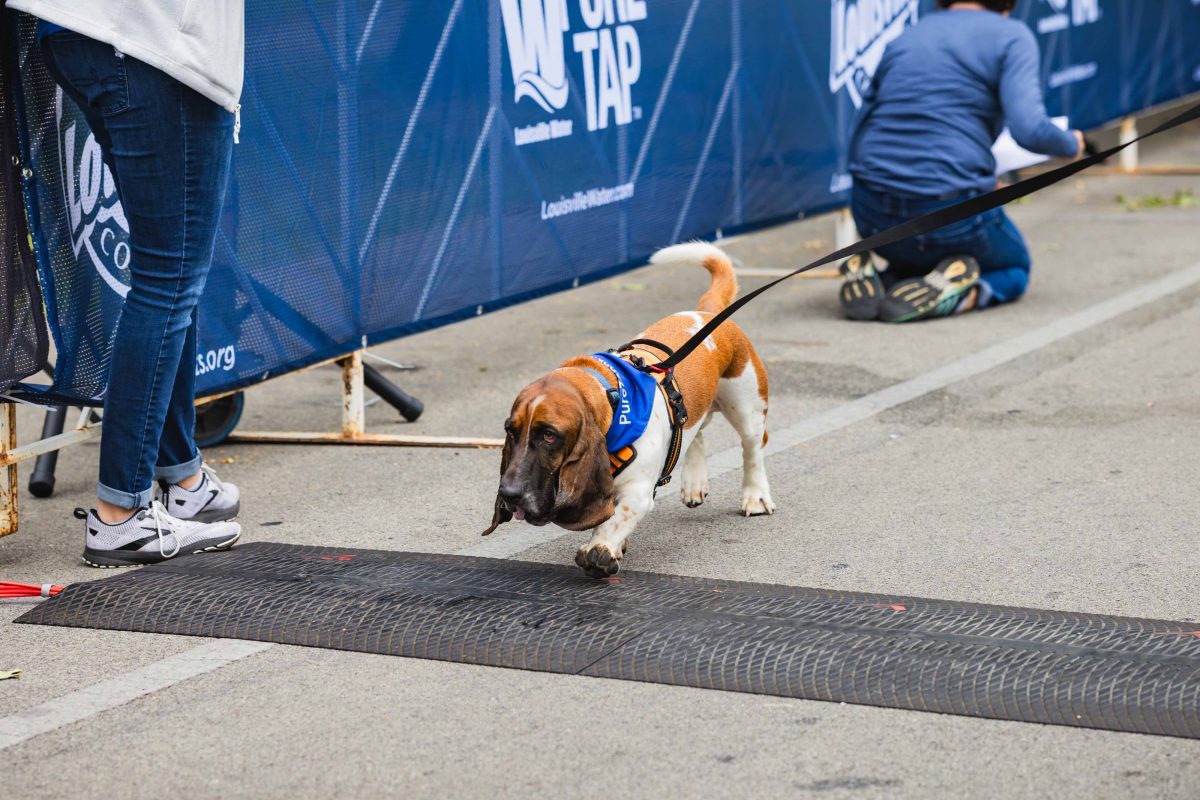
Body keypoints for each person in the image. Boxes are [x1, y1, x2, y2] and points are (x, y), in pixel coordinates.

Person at [9, 0, 246, 566]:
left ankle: (183, 479)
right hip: (154, 41)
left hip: (91, 31)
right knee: (169, 276)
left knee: (170, 270)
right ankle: (121, 514)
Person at [839, 0, 1085, 323]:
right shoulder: (1011, 35)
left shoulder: (908, 37)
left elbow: (859, 131)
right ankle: (956, 297)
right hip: (948, 212)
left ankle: (883, 281)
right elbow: (1030, 130)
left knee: (916, 249)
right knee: (1014, 268)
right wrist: (1072, 145)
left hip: (873, 217)